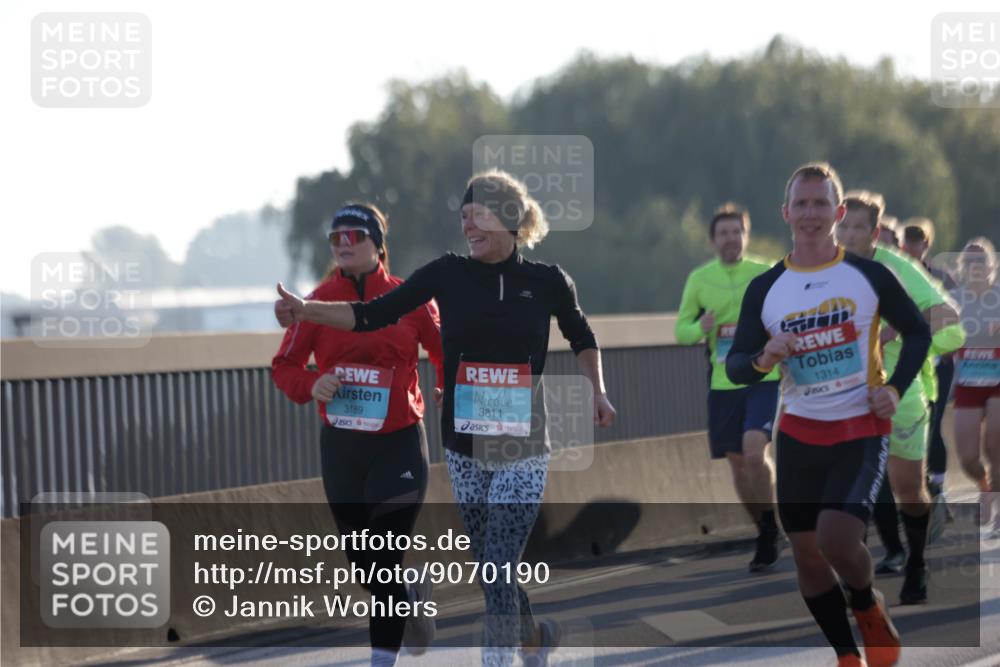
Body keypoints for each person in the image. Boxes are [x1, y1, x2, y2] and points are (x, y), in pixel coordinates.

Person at [274, 169, 617, 667]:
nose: (468, 226)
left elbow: (582, 337)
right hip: (463, 447)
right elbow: (371, 314)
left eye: (477, 215)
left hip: (524, 444)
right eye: (463, 218)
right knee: (490, 567)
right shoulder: (446, 273)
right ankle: (533, 636)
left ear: (510, 218)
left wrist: (598, 393)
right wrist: (308, 310)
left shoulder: (547, 281)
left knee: (498, 565)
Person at [727, 162, 930, 667]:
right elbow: (736, 368)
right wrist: (764, 357)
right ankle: (846, 656)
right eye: (802, 204)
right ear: (786, 213)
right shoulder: (766, 288)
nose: (811, 214)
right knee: (808, 556)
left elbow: (919, 333)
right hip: (799, 431)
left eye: (821, 204)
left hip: (861, 426)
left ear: (839, 213)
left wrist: (897, 387)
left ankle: (865, 602)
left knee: (837, 539)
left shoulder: (868, 274)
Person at [271, 203, 445, 667]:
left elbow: (443, 347)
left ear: (378, 245)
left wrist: (447, 383)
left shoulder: (410, 297)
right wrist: (313, 384)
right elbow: (283, 367)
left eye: (355, 236)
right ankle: (410, 597)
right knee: (365, 563)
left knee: (384, 559)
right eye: (336, 238)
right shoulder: (317, 304)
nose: (345, 244)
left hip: (400, 442)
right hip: (343, 449)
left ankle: (381, 661)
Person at [836, 192, 963, 605]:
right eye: (845, 226)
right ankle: (859, 573)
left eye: (859, 228)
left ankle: (917, 561)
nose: (849, 235)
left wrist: (901, 326)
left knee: (907, 488)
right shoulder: (824, 267)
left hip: (902, 388)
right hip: (846, 392)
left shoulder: (898, 268)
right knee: (849, 486)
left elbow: (949, 316)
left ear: (875, 233)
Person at [675, 202, 782, 572]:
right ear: (712, 240)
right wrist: (699, 329)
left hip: (763, 378)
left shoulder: (765, 271)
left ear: (746, 235)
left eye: (737, 231)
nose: (730, 239)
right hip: (722, 384)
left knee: (755, 454)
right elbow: (680, 331)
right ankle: (764, 529)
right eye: (723, 233)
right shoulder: (699, 279)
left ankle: (769, 521)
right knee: (738, 468)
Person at [901, 219, 959, 505]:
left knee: (933, 424)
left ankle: (938, 488)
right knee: (912, 424)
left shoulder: (942, 277)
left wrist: (947, 343)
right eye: (908, 240)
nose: (912, 246)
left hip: (939, 360)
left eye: (918, 240)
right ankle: (915, 485)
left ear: (927, 245)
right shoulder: (895, 273)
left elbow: (956, 313)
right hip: (909, 359)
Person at [950, 237, 1000, 537]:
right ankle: (983, 486)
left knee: (996, 445)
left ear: (991, 266)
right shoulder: (954, 299)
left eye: (981, 261)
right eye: (970, 262)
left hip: (998, 381)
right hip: (967, 381)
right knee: (967, 456)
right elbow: (937, 334)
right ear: (962, 268)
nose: (976, 267)